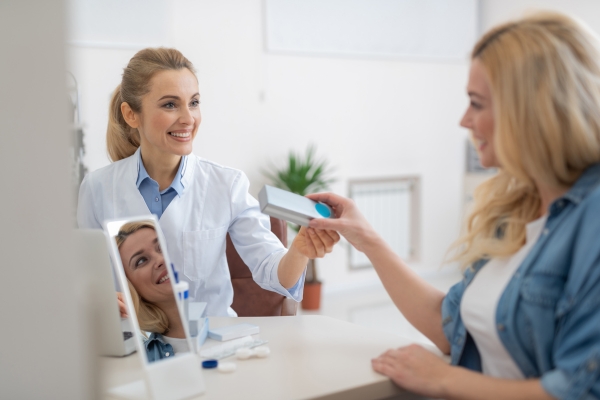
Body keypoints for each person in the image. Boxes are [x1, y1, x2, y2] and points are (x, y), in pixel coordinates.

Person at [307, 12, 600, 400]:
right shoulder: (517, 207)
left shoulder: (591, 217)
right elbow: (449, 325)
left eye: (477, 103)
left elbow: (579, 390)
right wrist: (367, 239)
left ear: (531, 109)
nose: (464, 121)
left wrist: (445, 380)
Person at [77, 48, 340, 316]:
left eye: (193, 102)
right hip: (134, 348)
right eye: (170, 104)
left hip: (210, 345)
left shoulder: (226, 185)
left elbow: (274, 272)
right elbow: (84, 281)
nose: (188, 118)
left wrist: (300, 249)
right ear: (131, 114)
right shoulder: (97, 188)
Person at [115, 221, 187, 362]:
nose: (160, 259)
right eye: (141, 261)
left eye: (161, 247)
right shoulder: (139, 356)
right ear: (132, 287)